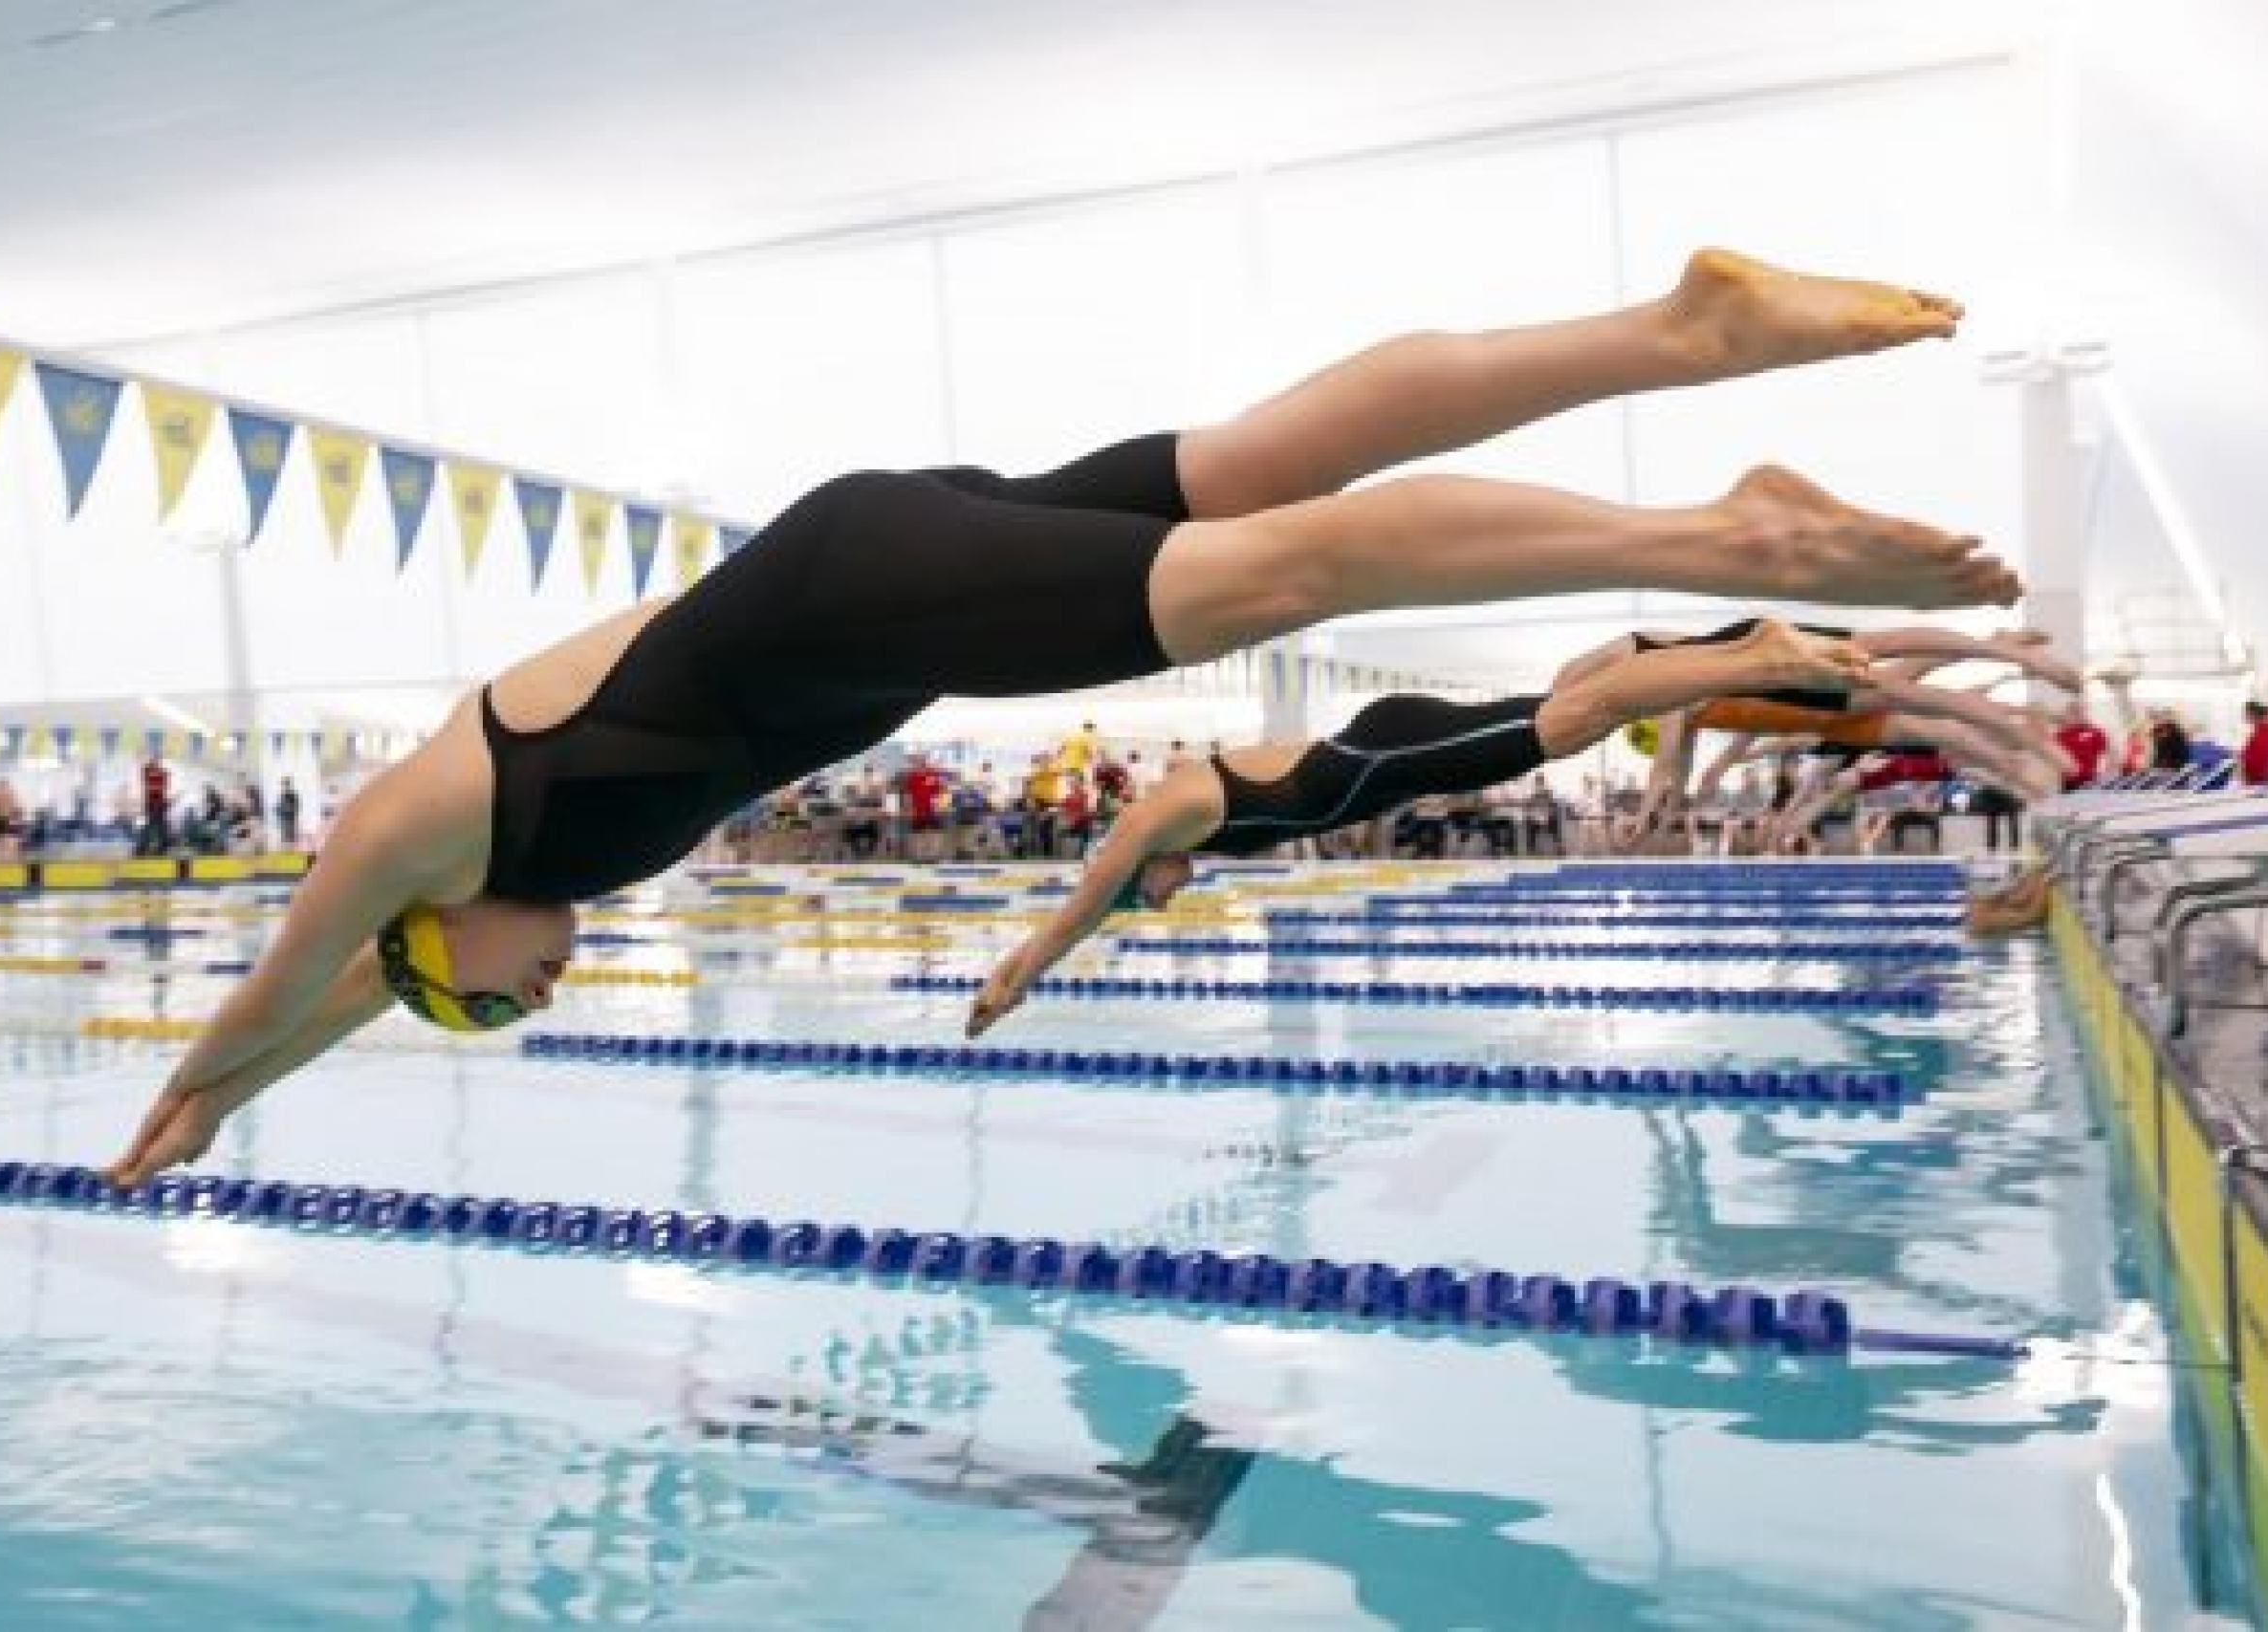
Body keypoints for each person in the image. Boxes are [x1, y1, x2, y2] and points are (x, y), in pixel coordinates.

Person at [105, 246, 2017, 1187]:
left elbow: (297, 966)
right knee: (1274, 457)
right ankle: (1675, 331)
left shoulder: (428, 829)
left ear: (436, 934)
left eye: (501, 1003)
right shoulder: (502, 877)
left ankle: (1722, 540)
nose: (542, 995)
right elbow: (345, 997)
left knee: (1284, 570)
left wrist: (185, 1094)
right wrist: (240, 1101)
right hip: (875, 565)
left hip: (860, 596)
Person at [966, 619, 1871, 1034]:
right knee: (1569, 705)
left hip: (1388, 755)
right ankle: (1676, 649)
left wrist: (1015, 982)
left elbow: (1077, 910)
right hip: (1390, 752)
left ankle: (1753, 655)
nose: (1160, 905)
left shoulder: (1157, 818)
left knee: (1575, 719)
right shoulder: (1184, 821)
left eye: (1145, 898)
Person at [2055, 699, 2108, 791]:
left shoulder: (2096, 732)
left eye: (2082, 711)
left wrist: (2103, 771)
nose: (2080, 714)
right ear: (2069, 714)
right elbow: (2056, 758)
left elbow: (2105, 755)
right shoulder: (2060, 735)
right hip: (2070, 782)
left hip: (2093, 779)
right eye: (2075, 712)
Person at [2241, 700, 2268, 787]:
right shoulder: (2258, 731)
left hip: (2259, 782)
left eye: (2246, 715)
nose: (2245, 718)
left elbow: (2252, 762)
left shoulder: (2261, 733)